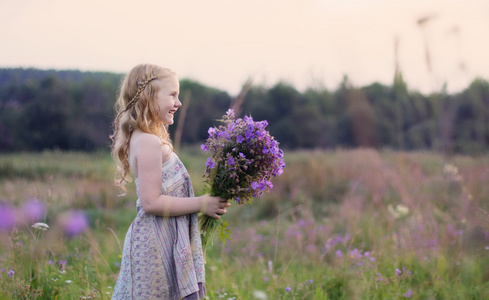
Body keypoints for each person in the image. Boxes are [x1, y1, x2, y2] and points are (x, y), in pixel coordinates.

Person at [110, 64, 230, 299]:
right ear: (149, 96)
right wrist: (202, 204)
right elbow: (151, 202)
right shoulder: (147, 142)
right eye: (172, 95)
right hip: (154, 245)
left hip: (165, 238)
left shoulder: (148, 139)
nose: (179, 102)